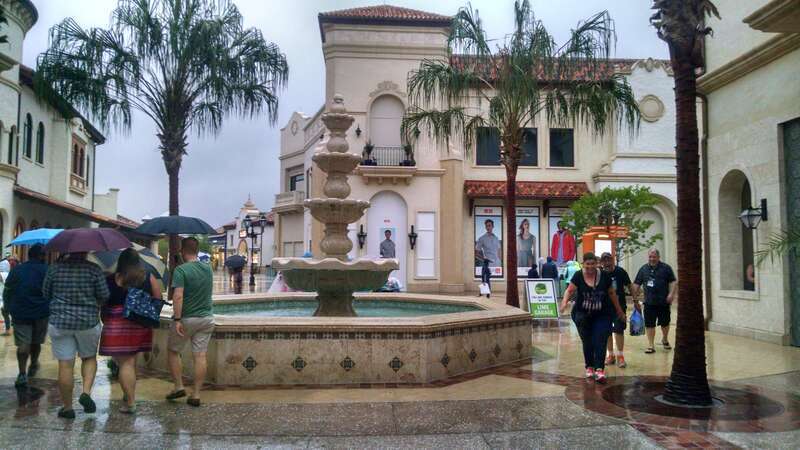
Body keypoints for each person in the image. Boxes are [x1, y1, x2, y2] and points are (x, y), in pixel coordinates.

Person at [43, 252, 110, 419]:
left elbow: (45, 293)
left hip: (60, 322)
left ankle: (67, 408)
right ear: (85, 252)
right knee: (89, 358)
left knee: (65, 365)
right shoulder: (94, 270)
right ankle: (85, 393)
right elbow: (104, 295)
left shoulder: (54, 269)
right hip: (88, 322)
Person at [99, 248, 162, 414]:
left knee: (125, 363)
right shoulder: (148, 276)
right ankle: (128, 394)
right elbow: (158, 299)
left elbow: (103, 300)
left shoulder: (111, 278)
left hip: (116, 322)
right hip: (139, 321)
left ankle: (130, 402)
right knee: (130, 361)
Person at [560, 252, 625, 383]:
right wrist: (564, 303)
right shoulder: (578, 275)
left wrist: (619, 310)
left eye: (593, 264)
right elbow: (569, 290)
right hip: (583, 314)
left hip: (602, 314)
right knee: (588, 341)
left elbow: (612, 293)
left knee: (600, 339)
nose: (590, 267)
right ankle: (589, 367)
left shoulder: (604, 276)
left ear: (597, 264)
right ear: (583, 264)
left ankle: (599, 369)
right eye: (587, 264)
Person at [166, 237, 214, 407]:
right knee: (200, 356)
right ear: (197, 250)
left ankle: (178, 386)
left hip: (187, 319)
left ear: (182, 251)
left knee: (173, 351)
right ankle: (196, 394)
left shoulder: (181, 270)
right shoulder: (208, 268)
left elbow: (178, 296)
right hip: (207, 319)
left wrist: (177, 319)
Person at [3, 244, 49, 387]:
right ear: (42, 256)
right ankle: (33, 364)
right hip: (41, 312)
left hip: (20, 312)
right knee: (36, 342)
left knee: (23, 344)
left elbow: (8, 289)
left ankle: (22, 373)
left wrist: (7, 306)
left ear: (29, 255)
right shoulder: (48, 270)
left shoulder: (17, 269)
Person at [632, 249, 677, 354]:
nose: (652, 259)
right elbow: (636, 283)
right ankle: (651, 345)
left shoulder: (666, 268)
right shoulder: (643, 269)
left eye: (654, 257)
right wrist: (635, 297)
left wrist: (671, 294)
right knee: (649, 324)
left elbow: (673, 281)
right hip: (649, 302)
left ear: (658, 257)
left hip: (663, 302)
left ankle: (665, 339)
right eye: (650, 257)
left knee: (665, 323)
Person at [600, 252, 633, 368]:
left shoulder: (620, 272)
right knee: (607, 331)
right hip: (604, 308)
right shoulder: (600, 274)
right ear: (602, 262)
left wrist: (635, 300)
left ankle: (620, 356)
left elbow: (629, 285)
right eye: (604, 260)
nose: (607, 263)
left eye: (609, 260)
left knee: (619, 330)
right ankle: (611, 355)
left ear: (613, 260)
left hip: (620, 307)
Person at [475, 219, 502, 298]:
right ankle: (484, 294)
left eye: (489, 225)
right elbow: (476, 252)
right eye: (487, 226)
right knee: (485, 279)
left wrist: (500, 261)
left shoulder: (496, 238)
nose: (488, 227)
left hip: (497, 263)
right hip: (487, 263)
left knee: (487, 279)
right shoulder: (482, 238)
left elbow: (499, 251)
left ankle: (486, 294)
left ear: (492, 226)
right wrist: (484, 259)